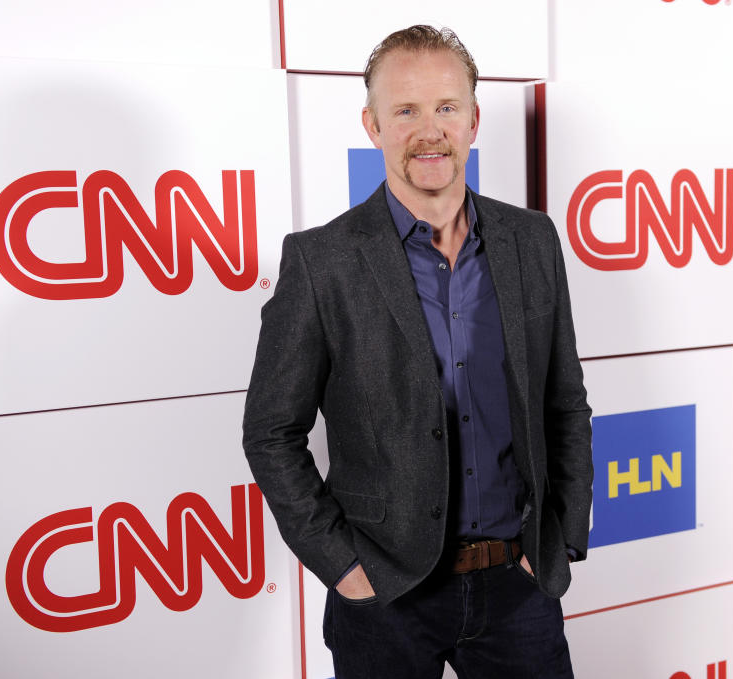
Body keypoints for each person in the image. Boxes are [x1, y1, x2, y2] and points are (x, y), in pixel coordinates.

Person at [243, 25, 593, 679]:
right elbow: (271, 432)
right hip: (383, 596)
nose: (428, 130)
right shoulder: (322, 261)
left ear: (473, 119)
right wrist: (343, 567)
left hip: (518, 586)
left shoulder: (532, 239)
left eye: (445, 107)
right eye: (404, 110)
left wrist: (561, 534)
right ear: (372, 124)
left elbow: (563, 400)